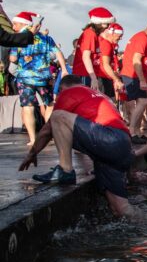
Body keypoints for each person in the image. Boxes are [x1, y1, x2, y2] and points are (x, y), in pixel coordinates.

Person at [19, 75, 133, 216]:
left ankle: (65, 170)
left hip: (108, 139)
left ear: (62, 89)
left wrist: (32, 154)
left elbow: (48, 129)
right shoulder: (98, 95)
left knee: (58, 116)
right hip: (124, 145)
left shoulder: (68, 92)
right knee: (120, 207)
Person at [8, 12, 69, 145]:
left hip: (24, 78)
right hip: (43, 77)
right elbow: (58, 53)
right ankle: (48, 135)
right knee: (49, 104)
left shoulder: (18, 38)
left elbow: (12, 58)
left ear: (24, 24)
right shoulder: (46, 38)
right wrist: (64, 69)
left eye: (15, 24)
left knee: (28, 107)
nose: (13, 27)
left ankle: (33, 139)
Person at [121, 19, 147, 143]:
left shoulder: (146, 40)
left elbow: (145, 63)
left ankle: (137, 132)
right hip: (132, 74)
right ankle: (132, 131)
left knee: (143, 102)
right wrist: (142, 79)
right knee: (141, 102)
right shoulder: (142, 38)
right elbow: (136, 60)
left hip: (137, 75)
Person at [73, 7, 115, 91]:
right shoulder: (90, 34)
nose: (107, 27)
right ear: (99, 22)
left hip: (86, 74)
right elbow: (86, 57)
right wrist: (93, 77)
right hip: (84, 73)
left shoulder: (92, 34)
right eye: (106, 24)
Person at [96, 23, 125, 99]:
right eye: (119, 36)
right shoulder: (106, 44)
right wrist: (117, 80)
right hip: (103, 78)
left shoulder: (108, 44)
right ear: (112, 33)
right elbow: (106, 65)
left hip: (105, 77)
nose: (121, 38)